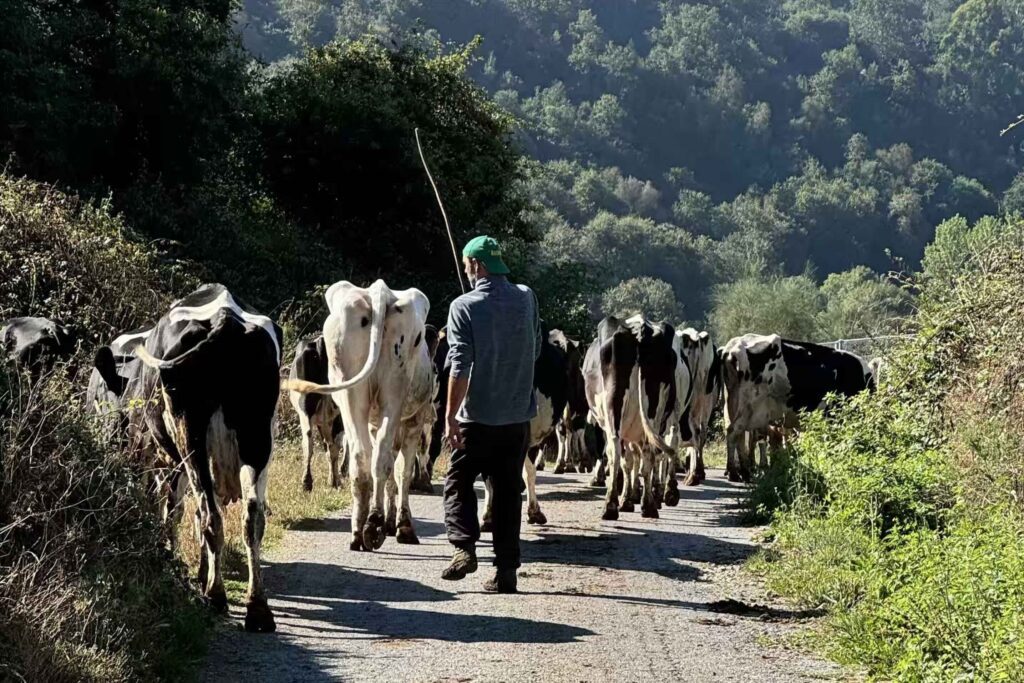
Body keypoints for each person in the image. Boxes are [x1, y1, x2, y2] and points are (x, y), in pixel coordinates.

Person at [441, 235, 541, 593]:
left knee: (458, 479)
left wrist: (451, 415)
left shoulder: (462, 307)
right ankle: (505, 574)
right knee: (508, 491)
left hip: (476, 418)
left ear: (477, 266)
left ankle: (464, 547)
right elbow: (536, 347)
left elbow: (460, 364)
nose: (467, 271)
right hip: (517, 419)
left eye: (469, 265)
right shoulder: (527, 298)